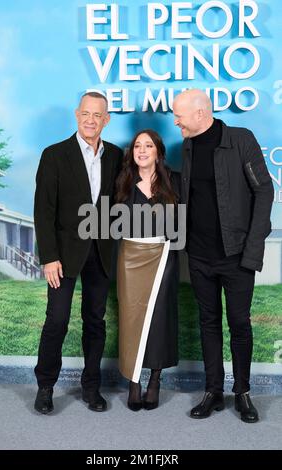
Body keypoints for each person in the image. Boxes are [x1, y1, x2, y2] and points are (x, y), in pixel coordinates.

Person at [173, 89, 274, 423]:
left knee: (240, 324)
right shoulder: (187, 146)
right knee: (208, 323)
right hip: (200, 257)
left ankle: (242, 392)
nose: (176, 121)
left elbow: (264, 190)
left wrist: (252, 250)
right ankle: (213, 391)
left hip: (236, 255)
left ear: (201, 113)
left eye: (180, 116)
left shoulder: (240, 139)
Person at [34, 92, 122, 414]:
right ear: (76, 115)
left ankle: (91, 387)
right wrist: (48, 257)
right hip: (63, 255)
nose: (90, 120)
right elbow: (43, 211)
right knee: (56, 321)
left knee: (95, 321)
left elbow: (121, 204)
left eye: (97, 115)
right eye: (85, 113)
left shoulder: (116, 156)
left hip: (101, 252)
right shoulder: (54, 155)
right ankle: (45, 387)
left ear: (106, 120)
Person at [115, 129, 181, 411]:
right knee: (131, 319)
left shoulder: (174, 181)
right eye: (137, 146)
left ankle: (155, 381)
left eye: (148, 145)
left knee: (159, 319)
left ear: (158, 151)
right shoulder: (122, 181)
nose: (142, 150)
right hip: (130, 257)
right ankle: (134, 382)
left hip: (164, 256)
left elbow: (182, 223)